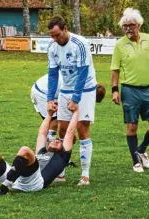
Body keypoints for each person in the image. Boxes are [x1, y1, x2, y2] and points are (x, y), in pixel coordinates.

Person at [0, 104, 79, 196]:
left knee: (25, 150)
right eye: (55, 140)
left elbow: (70, 132)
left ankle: (4, 188)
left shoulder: (62, 157)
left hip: (35, 183)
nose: (56, 141)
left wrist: (76, 112)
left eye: (59, 143)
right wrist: (49, 114)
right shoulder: (42, 152)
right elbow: (42, 133)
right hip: (17, 177)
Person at [110, 8, 149, 172]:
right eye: (125, 26)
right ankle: (135, 162)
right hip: (130, 91)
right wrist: (115, 90)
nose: (128, 29)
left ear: (138, 25)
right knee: (132, 126)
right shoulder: (120, 45)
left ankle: (142, 150)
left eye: (131, 25)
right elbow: (115, 69)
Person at [46, 15, 97, 185]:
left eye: (57, 35)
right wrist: (50, 98)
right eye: (52, 36)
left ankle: (85, 174)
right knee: (62, 131)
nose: (55, 39)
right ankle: (60, 172)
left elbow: (83, 72)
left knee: (82, 129)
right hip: (65, 90)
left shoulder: (80, 44)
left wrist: (76, 98)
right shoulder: (52, 47)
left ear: (65, 29)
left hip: (85, 90)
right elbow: (53, 75)